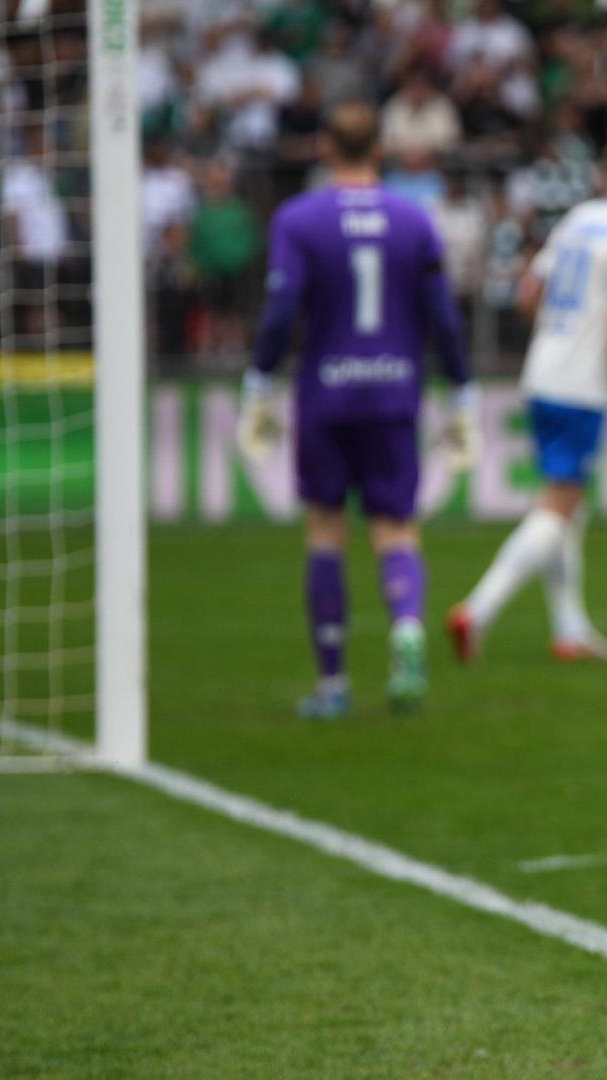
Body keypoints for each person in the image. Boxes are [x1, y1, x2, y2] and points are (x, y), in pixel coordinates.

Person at [237, 104, 476, 719]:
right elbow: (443, 317)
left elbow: (280, 307)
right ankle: (406, 632)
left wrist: (260, 380)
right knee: (395, 527)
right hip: (395, 391)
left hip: (326, 394)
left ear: (324, 147)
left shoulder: (298, 218)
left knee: (325, 531)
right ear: (382, 147)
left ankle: (335, 684)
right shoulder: (412, 219)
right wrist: (462, 389)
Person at [448, 132, 607, 663]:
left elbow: (529, 292)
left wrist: (558, 333)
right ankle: (475, 612)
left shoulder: (577, 219)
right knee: (559, 504)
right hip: (580, 383)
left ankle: (569, 629)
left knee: (567, 502)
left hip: (543, 370)